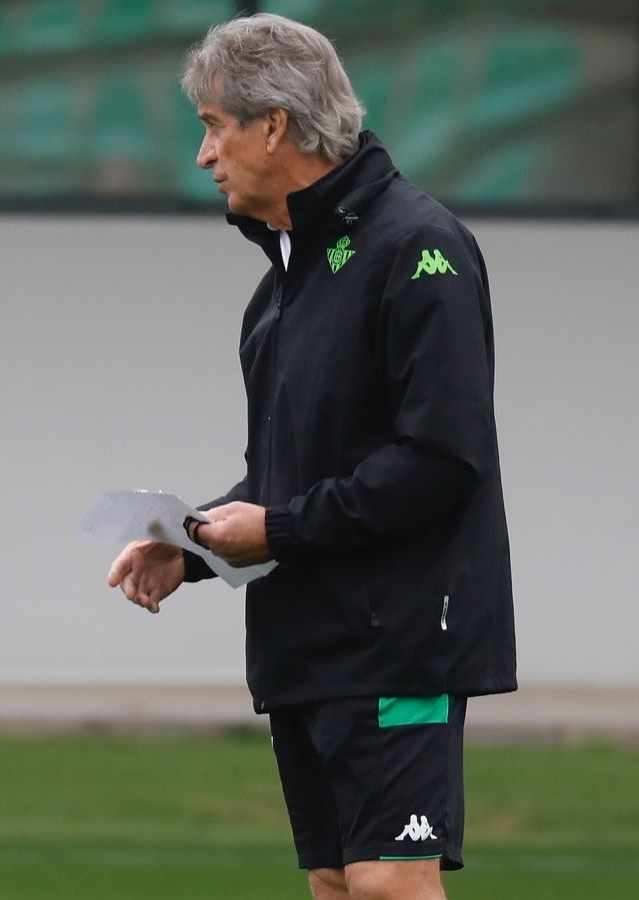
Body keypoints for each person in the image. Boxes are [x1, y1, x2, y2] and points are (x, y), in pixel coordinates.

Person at [106, 14, 516, 900]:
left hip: (403, 638)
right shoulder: (280, 286)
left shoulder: (420, 247)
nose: (203, 155)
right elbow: (286, 476)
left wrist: (281, 527)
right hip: (306, 640)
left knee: (387, 883)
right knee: (336, 883)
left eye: (214, 127)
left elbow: (443, 461)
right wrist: (197, 543)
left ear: (275, 126)